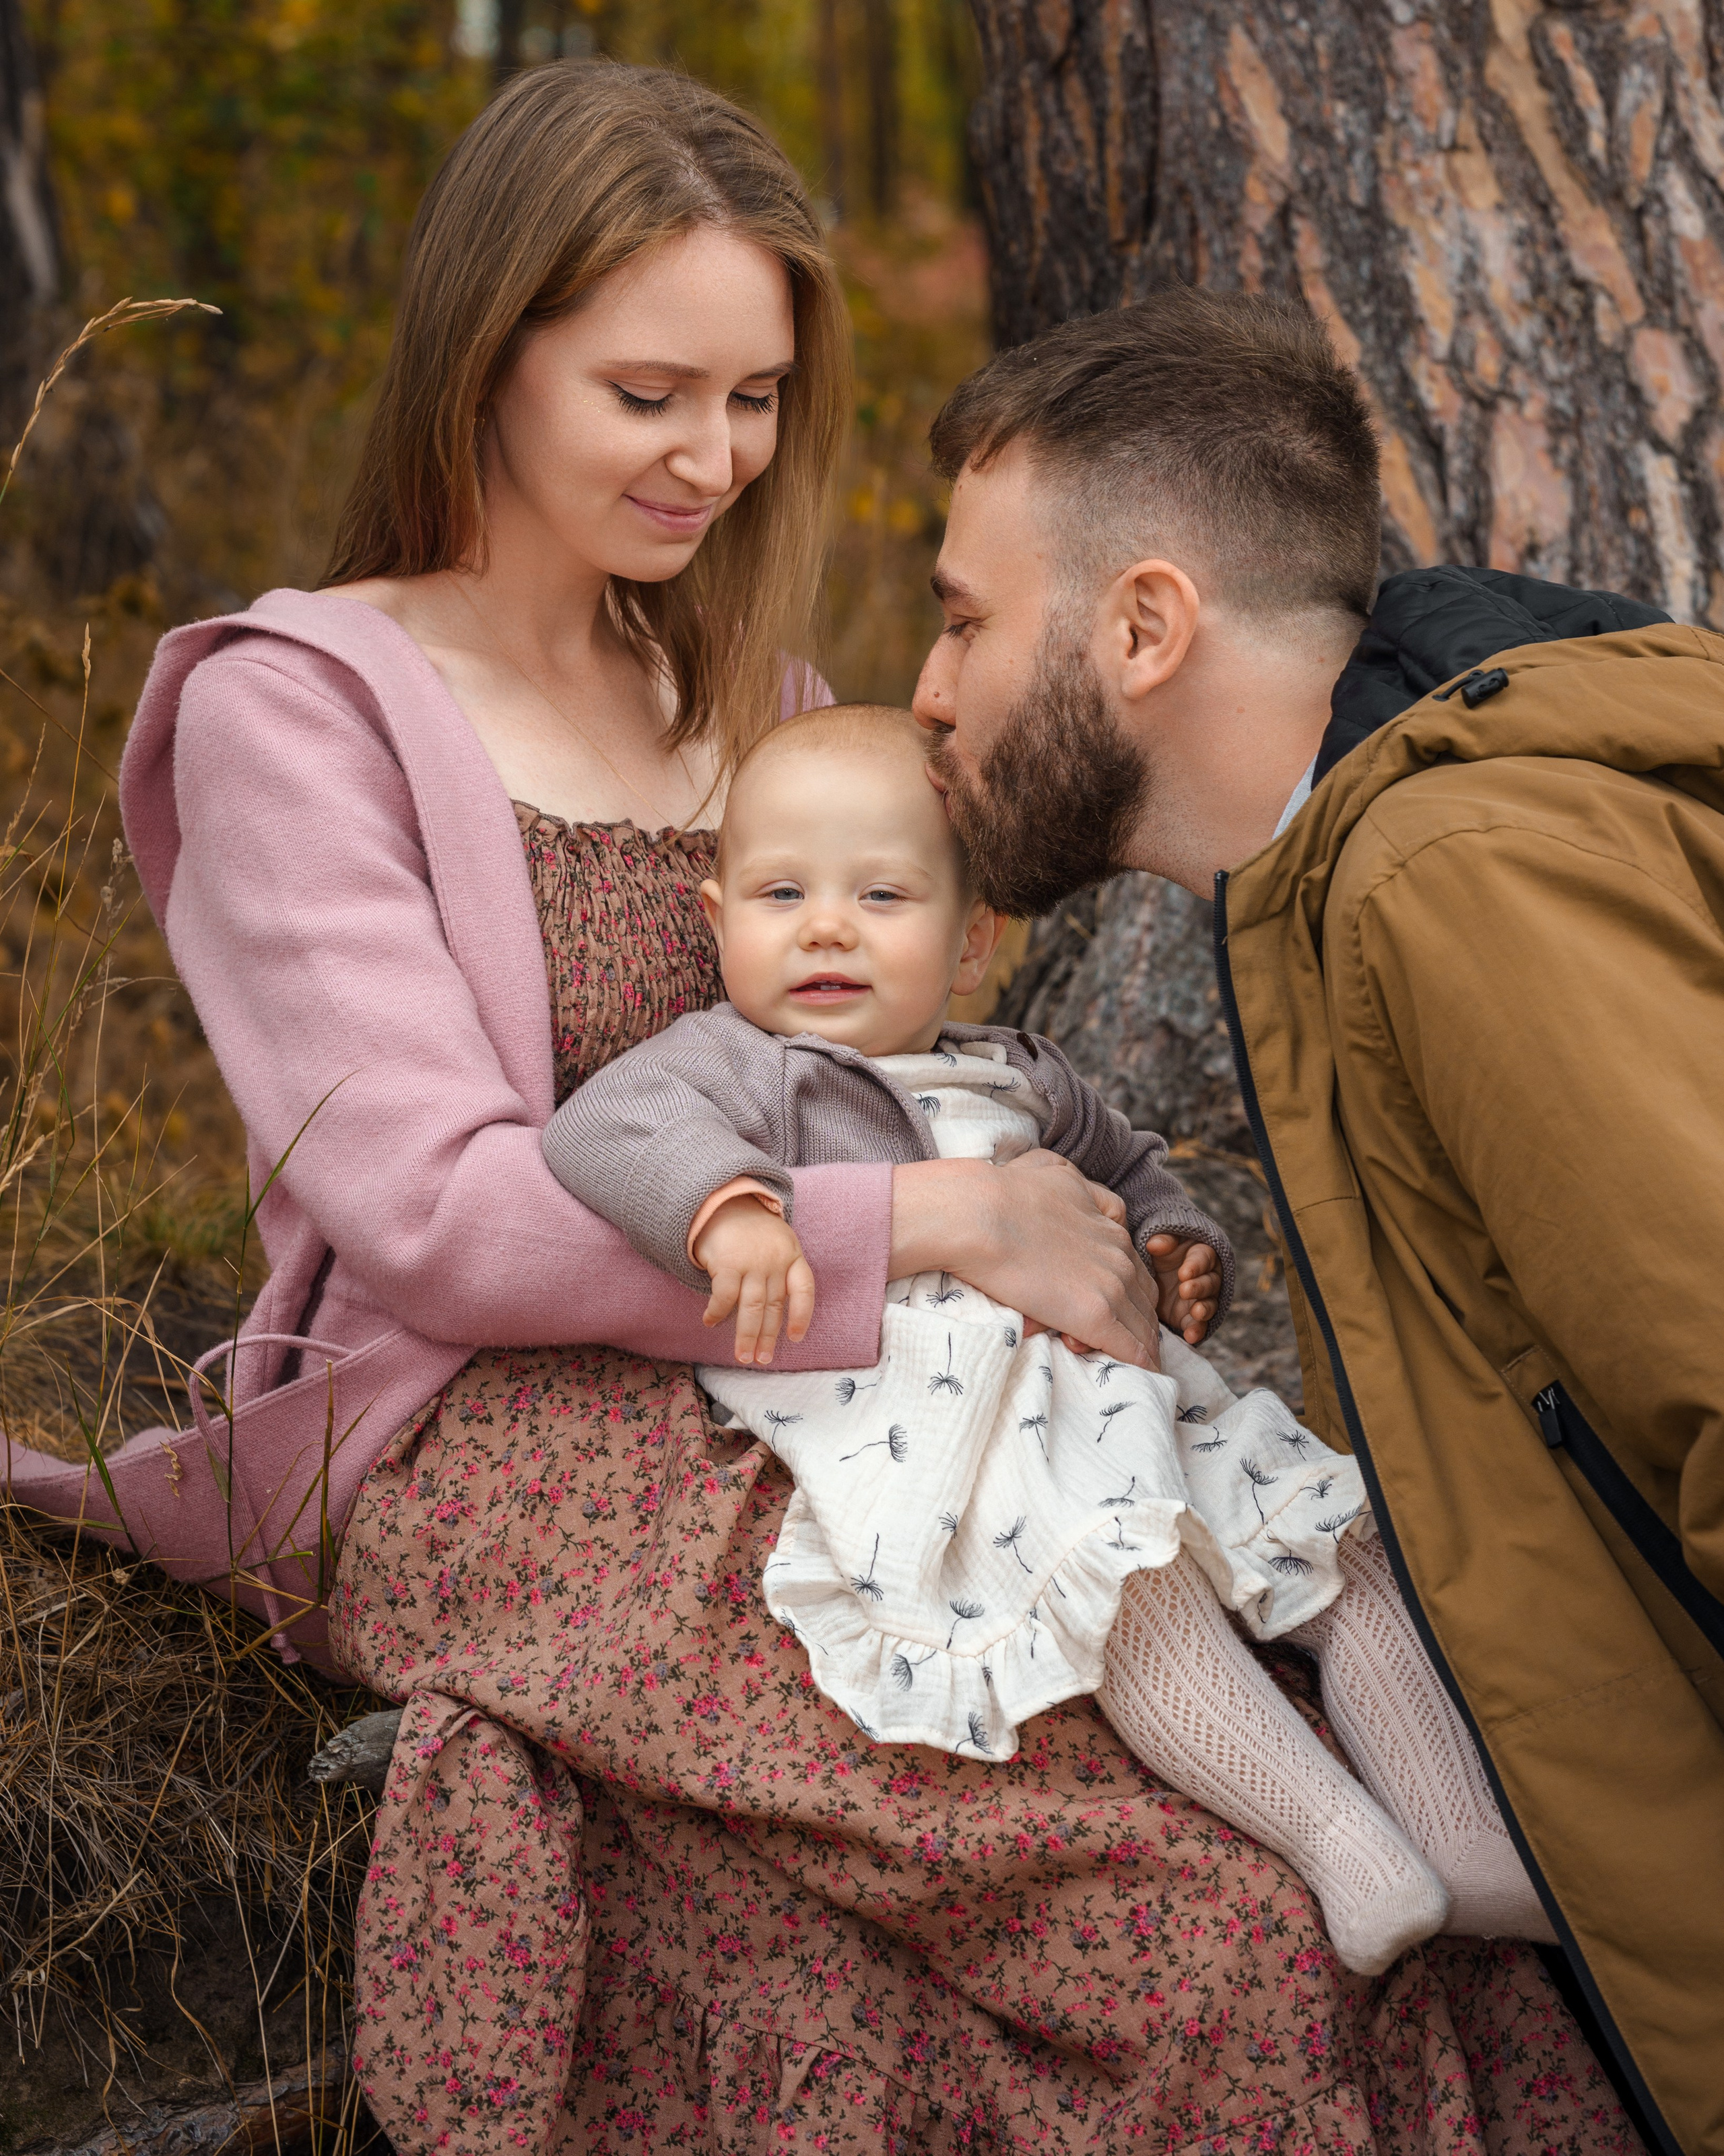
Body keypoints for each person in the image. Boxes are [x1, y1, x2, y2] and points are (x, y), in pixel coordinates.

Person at [3, 64, 1647, 2156]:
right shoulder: (289, 708)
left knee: (1326, 1776)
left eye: (757, 397)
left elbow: (908, 1071)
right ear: (485, 361)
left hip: (857, 1400)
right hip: (488, 1431)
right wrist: (947, 1233)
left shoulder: (768, 712)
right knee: (1188, 1910)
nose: (713, 458)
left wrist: (1076, 1228)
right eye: (649, 392)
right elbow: (428, 1212)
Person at [910, 284, 1723, 2155]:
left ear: (1142, 624)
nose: (931, 687)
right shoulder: (1340, 877)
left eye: (964, 617)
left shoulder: (1448, 877)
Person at [541, 697, 1550, 1975]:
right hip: (964, 1422)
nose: (827, 927)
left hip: (1129, 1388)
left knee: (1327, 1544)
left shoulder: (1023, 1065)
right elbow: (603, 1130)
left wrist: (1181, 1243)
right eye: (782, 891)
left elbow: (1127, 1167)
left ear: (974, 943)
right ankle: (1344, 1843)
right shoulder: (739, 1066)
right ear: (716, 918)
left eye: (884, 896)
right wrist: (732, 1209)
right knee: (1131, 1584)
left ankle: (1471, 1848)